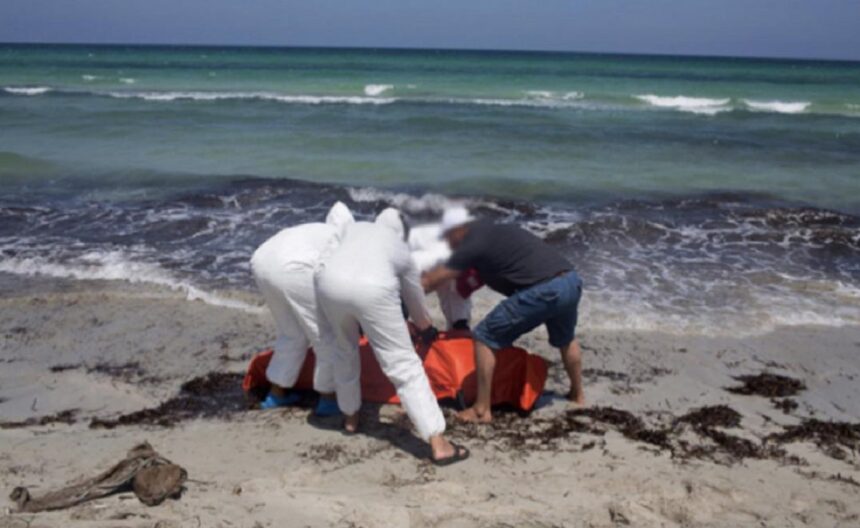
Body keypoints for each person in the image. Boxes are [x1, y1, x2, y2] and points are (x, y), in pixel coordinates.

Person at [315, 208, 470, 465]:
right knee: (403, 364)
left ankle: (351, 418)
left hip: (329, 284)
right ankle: (439, 443)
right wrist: (425, 326)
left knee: (344, 350)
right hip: (372, 288)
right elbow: (413, 295)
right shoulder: (399, 247)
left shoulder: (354, 228)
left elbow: (324, 258)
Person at [422, 207, 584, 423]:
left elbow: (431, 281)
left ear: (457, 229)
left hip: (545, 290)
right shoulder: (494, 232)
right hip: (570, 281)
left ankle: (481, 410)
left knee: (484, 337)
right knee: (566, 340)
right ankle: (577, 394)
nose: (447, 244)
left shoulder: (471, 242)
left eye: (446, 237)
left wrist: (398, 299)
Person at [250, 201, 354, 415]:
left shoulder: (314, 230)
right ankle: (328, 399)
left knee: (291, 333)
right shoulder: (342, 243)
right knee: (326, 336)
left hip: (261, 261)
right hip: (291, 268)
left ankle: (276, 394)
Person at [408, 221, 472, 330]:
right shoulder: (429, 259)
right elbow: (408, 289)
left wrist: (460, 322)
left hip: (441, 249)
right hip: (406, 251)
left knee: (454, 287)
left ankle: (459, 325)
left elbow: (459, 291)